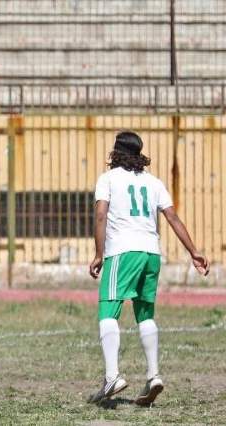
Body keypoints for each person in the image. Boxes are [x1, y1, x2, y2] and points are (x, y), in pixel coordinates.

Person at [88, 131, 209, 405]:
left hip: (123, 251)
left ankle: (112, 376)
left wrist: (99, 254)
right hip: (151, 253)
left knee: (109, 309)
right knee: (145, 314)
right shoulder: (154, 182)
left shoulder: (107, 179)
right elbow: (172, 217)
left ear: (115, 152)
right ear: (139, 154)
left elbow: (100, 214)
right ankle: (154, 375)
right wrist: (194, 252)